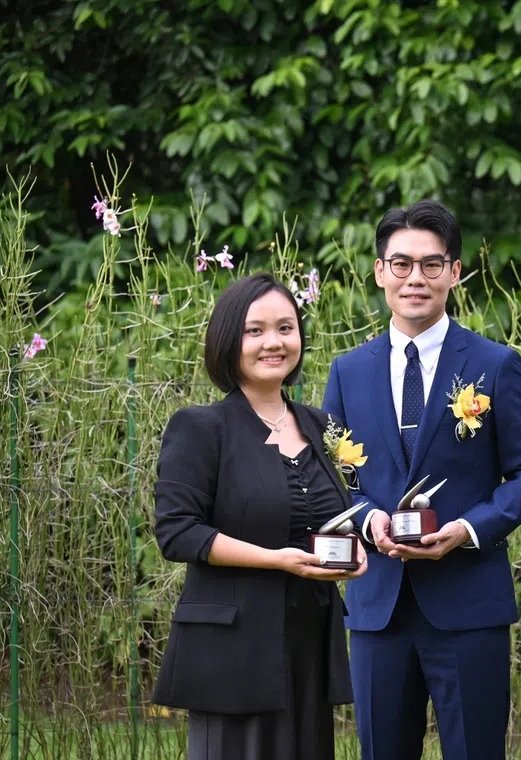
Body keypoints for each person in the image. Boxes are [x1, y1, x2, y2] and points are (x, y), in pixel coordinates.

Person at [322, 199, 521, 760]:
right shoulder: (347, 371)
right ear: (379, 272)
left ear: (455, 272)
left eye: (431, 264)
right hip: (379, 607)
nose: (415, 278)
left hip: (468, 601)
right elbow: (332, 478)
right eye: (401, 264)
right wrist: (368, 520)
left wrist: (468, 530)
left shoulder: (495, 364)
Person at [152, 273, 367, 760]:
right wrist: (275, 559)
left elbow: (331, 516)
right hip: (233, 650)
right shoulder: (200, 427)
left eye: (286, 328)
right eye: (256, 330)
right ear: (229, 340)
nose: (274, 342)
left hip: (308, 644)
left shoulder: (321, 426)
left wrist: (354, 552)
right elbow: (177, 532)